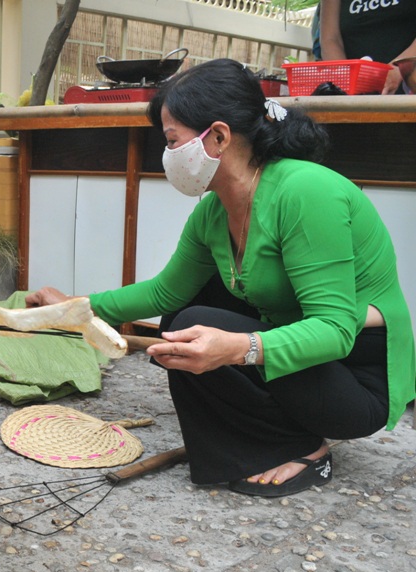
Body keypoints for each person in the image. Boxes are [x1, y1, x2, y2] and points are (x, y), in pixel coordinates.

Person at [26, 58, 416, 498]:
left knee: (201, 325)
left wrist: (237, 348)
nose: (168, 155)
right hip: (306, 356)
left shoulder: (307, 192)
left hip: (356, 378)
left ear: (218, 136)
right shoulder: (214, 211)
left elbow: (334, 330)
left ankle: (306, 447)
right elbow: (163, 291)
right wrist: (72, 310)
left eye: (172, 141)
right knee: (183, 315)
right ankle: (268, 435)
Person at [319, 0, 416, 93]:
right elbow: (330, 39)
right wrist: (345, 80)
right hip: (356, 96)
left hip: (407, 85)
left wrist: (399, 69)